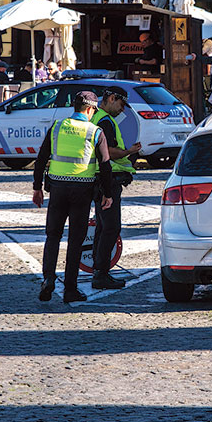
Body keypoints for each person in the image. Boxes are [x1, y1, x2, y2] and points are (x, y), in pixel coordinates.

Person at [32, 90, 114, 303]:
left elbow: (41, 159)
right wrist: (108, 194)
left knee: (53, 236)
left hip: (57, 188)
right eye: (94, 110)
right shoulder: (95, 132)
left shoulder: (57, 127)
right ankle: (70, 289)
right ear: (90, 109)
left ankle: (48, 279)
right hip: (82, 191)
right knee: (75, 240)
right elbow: (105, 166)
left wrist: (37, 187)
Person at [90, 86, 142, 290]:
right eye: (121, 104)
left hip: (98, 177)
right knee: (111, 228)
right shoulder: (105, 120)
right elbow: (109, 151)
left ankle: (98, 270)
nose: (123, 109)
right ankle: (100, 274)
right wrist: (129, 152)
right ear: (111, 98)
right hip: (107, 179)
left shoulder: (96, 117)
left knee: (103, 227)